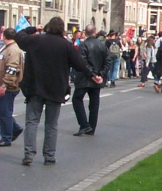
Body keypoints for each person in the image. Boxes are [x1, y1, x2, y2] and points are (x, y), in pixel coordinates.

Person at [16, 17, 103, 165]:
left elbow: (19, 35)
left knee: (31, 122)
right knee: (51, 124)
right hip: (56, 89)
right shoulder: (66, 45)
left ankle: (29, 154)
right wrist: (93, 76)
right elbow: (80, 64)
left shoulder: (35, 40)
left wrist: (34, 29)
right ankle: (49, 155)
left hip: (35, 87)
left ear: (47, 27)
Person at [72, 25, 111, 136]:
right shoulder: (102, 45)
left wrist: (92, 75)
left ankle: (84, 124)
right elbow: (108, 62)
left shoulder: (83, 45)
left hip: (84, 78)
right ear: (95, 32)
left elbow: (82, 62)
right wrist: (100, 74)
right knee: (94, 103)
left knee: (77, 99)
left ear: (86, 33)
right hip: (96, 78)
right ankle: (92, 127)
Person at [0, 27, 24, 147]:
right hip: (6, 85)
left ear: (4, 36)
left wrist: (4, 84)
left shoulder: (13, 50)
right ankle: (14, 128)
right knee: (3, 112)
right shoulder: (8, 48)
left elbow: (12, 68)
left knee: (5, 112)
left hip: (9, 86)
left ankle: (6, 137)